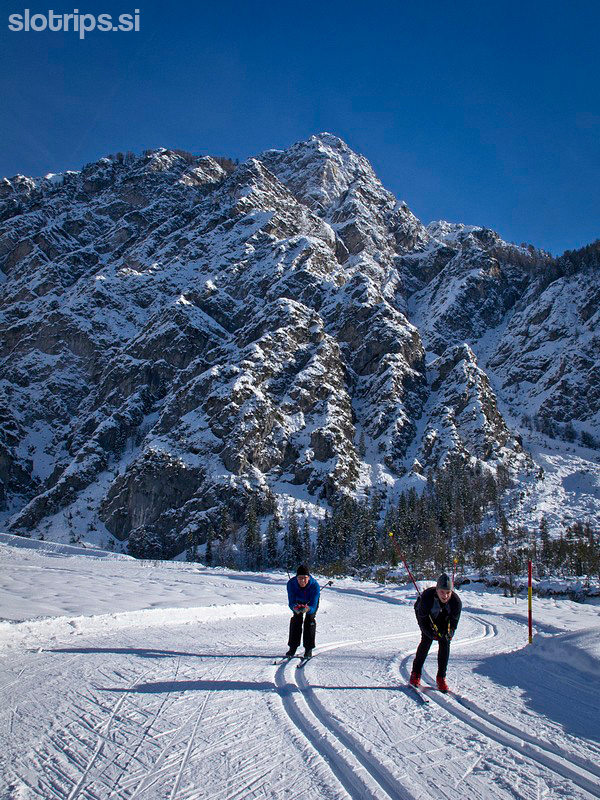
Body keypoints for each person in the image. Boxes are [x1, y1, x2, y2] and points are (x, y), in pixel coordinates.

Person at [409, 573, 462, 692]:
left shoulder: (456, 603)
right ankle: (415, 673)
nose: (445, 595)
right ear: (437, 590)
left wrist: (449, 634)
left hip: (443, 618)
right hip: (426, 616)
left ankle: (441, 677)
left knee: (445, 641)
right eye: (442, 592)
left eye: (448, 592)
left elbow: (453, 624)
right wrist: (431, 634)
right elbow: (423, 623)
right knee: (426, 640)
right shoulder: (427, 598)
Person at [286, 565, 320, 658]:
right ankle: (293, 647)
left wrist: (308, 609)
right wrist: (295, 608)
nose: (302, 581)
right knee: (296, 620)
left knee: (310, 621)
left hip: (310, 603)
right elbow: (291, 602)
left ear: (309, 578)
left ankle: (308, 649)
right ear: (296, 578)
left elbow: (313, 605)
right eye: (300, 578)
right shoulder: (291, 584)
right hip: (298, 602)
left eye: (305, 578)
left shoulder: (315, 586)